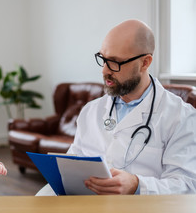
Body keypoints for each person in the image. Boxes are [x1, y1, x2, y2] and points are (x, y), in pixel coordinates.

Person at [37, 19, 196, 196]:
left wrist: (137, 185)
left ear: (145, 62)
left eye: (115, 62)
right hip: (88, 206)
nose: (105, 71)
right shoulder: (91, 110)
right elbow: (73, 161)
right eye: (103, 59)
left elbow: (187, 186)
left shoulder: (181, 117)